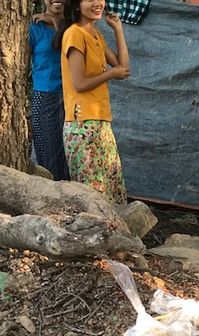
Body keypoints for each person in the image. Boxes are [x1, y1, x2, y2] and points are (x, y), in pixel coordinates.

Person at [53, 0, 130, 204]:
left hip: (100, 122)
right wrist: (111, 73)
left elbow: (124, 67)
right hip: (82, 126)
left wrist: (118, 30)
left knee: (112, 192)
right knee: (93, 198)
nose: (97, 3)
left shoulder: (95, 34)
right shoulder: (74, 34)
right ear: (77, 5)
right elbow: (79, 84)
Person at [29, 0, 70, 181]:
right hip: (45, 97)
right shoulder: (34, 27)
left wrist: (55, 21)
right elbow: (22, 67)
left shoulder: (74, 26)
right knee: (49, 155)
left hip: (74, 98)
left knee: (70, 155)